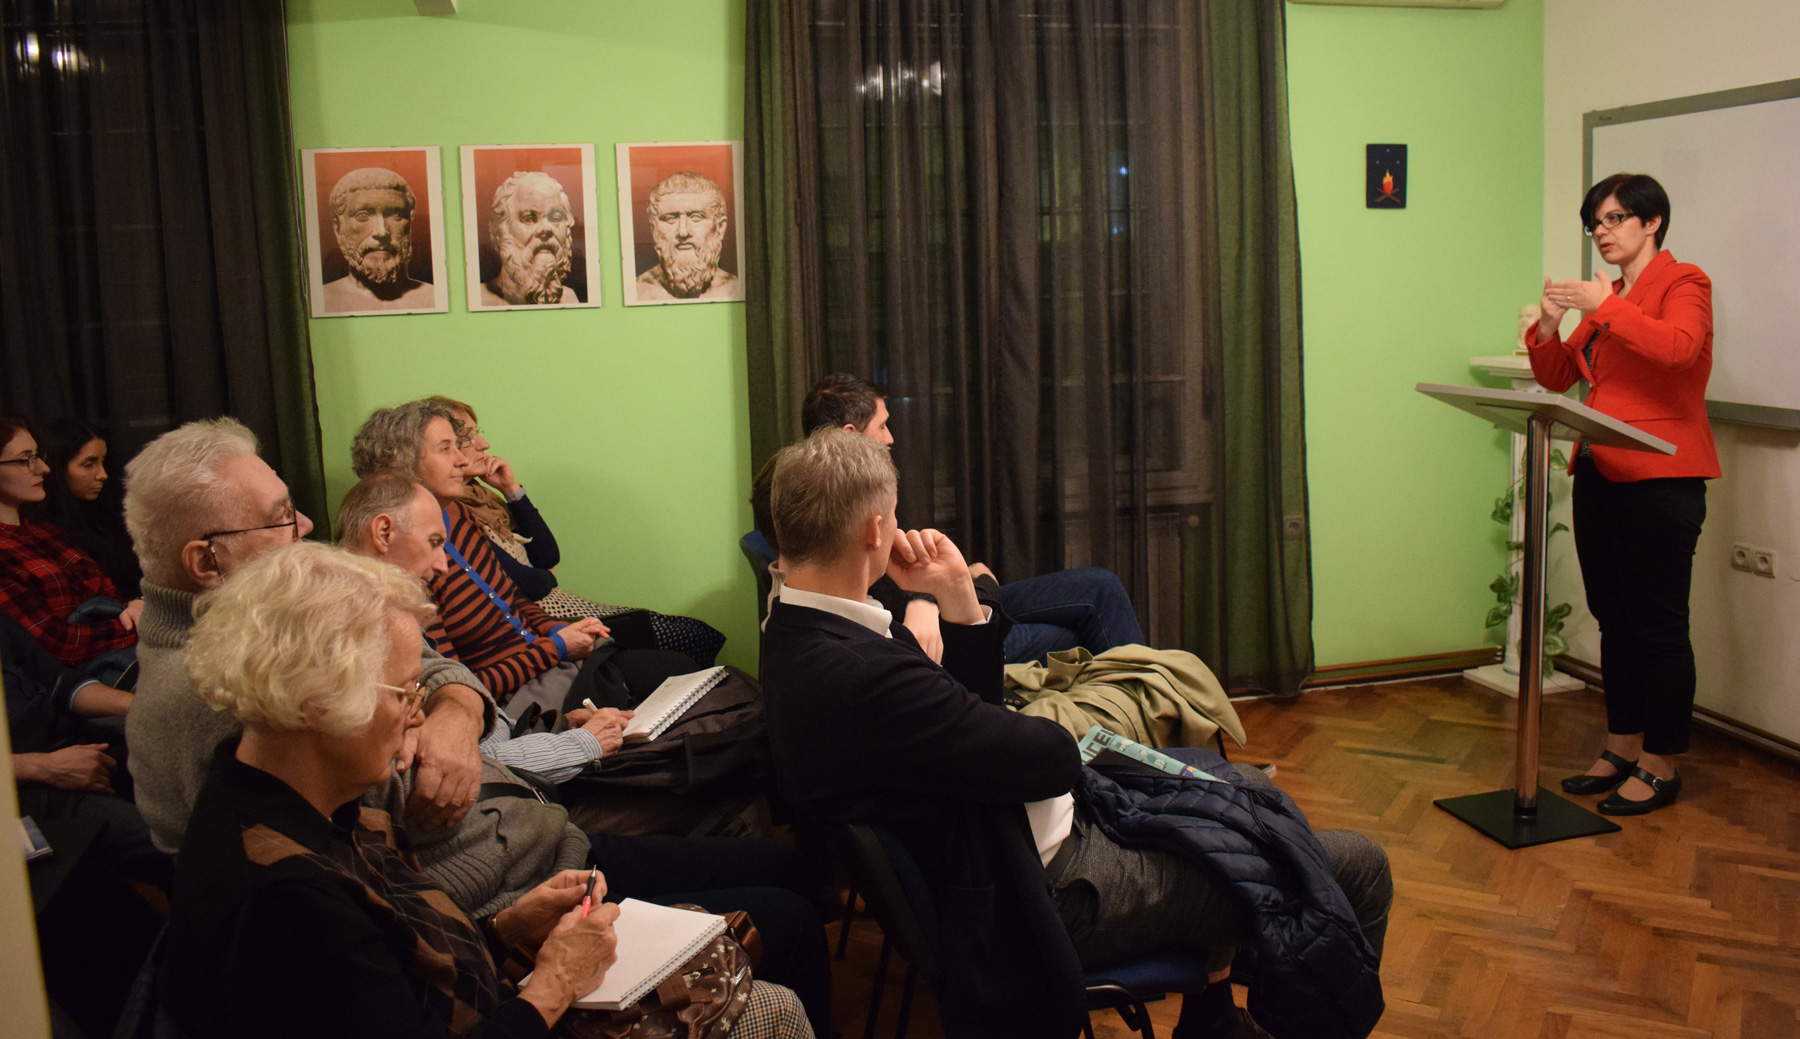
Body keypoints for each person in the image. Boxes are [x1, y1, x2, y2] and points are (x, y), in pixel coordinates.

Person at [759, 429, 1390, 1039]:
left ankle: (1214, 1019)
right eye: (895, 516)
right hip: (1047, 891)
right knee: (1358, 865)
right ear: (874, 530)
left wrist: (957, 596)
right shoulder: (861, 672)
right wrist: (1039, 730)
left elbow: (970, 724)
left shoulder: (798, 631)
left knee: (1242, 788)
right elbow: (1050, 758)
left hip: (1014, 844)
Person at [158, 543, 814, 1039]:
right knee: (776, 1006)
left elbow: (395, 961)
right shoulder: (286, 899)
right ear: (317, 702)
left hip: (495, 984)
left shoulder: (280, 795)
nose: (417, 715)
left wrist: (504, 928)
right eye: (403, 693)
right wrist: (554, 983)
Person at [335, 471, 835, 1035]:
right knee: (785, 910)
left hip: (551, 832)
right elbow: (481, 731)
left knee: (779, 857)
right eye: (433, 544)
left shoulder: (421, 589)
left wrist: (484, 696)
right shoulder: (361, 690)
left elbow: (521, 602)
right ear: (383, 532)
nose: (444, 562)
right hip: (541, 857)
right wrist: (576, 728)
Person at [122, 417, 492, 853]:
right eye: (280, 518)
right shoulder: (226, 686)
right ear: (207, 563)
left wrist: (455, 714)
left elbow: (433, 664)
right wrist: (444, 704)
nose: (307, 523)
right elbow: (414, 807)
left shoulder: (275, 617)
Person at [1529, 172, 1718, 817]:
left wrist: (1603, 306)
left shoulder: (1684, 282)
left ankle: (1661, 762)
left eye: (1613, 219)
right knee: (1613, 618)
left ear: (1652, 221)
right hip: (1600, 471)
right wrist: (1550, 323)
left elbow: (1679, 350)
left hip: (1662, 478)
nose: (1602, 233)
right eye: (1595, 224)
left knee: (1657, 625)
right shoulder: (1609, 298)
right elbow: (1557, 377)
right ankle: (1621, 746)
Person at [751, 375, 1146, 665]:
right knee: (1068, 633)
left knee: (1100, 586)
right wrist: (968, 588)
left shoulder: (852, 492)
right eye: (882, 426)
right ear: (851, 434)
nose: (890, 438)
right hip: (939, 619)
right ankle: (1150, 709)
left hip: (941, 594)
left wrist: (957, 581)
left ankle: (1151, 700)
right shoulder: (835, 508)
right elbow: (892, 602)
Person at [426, 394, 728, 665]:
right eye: (467, 437)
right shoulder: (453, 513)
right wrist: (547, 577)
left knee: (693, 633)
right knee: (686, 638)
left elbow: (548, 554)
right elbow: (531, 585)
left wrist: (512, 490)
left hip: (555, 605)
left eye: (477, 433)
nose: (483, 444)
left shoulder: (484, 498)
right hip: (545, 619)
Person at [3, 611, 167, 887]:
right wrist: (41, 766)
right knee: (170, 846)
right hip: (25, 787)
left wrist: (139, 707)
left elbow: (58, 682)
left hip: (69, 741)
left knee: (193, 774)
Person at [0, 415, 142, 669]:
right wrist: (149, 628)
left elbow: (109, 592)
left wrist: (134, 608)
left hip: (124, 648)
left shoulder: (47, 531)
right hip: (81, 675)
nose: (43, 468)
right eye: (24, 460)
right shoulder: (5, 551)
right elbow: (56, 644)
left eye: (38, 456)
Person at [29, 417, 141, 599]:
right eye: (89, 464)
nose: (102, 474)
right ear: (57, 467)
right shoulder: (45, 530)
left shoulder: (103, 512)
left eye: (103, 462)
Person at [320, 166, 437, 312]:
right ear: (338, 229)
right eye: (362, 216)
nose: (381, 232)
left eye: (396, 215)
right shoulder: (323, 301)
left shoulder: (435, 298)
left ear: (410, 225)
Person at [634, 171, 741, 302]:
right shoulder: (637, 292)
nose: (683, 232)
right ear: (654, 228)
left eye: (696, 218)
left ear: (720, 227)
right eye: (670, 219)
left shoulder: (737, 290)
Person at [481, 170, 579, 306]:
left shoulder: (571, 300)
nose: (546, 228)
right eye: (529, 218)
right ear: (500, 230)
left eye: (555, 218)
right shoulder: (480, 300)